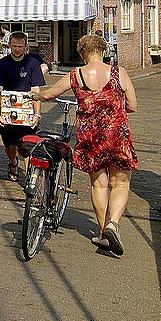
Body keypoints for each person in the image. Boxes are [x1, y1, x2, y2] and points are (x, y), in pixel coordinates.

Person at [30, 34, 137, 256]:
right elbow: (133, 106)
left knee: (99, 185)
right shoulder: (119, 73)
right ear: (103, 51)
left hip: (90, 136)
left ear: (81, 54)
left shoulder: (76, 74)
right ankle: (113, 225)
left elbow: (50, 94)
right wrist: (113, 110)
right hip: (117, 133)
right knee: (120, 184)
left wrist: (36, 96)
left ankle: (101, 232)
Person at [0, 32, 45, 181]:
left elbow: (36, 91)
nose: (17, 49)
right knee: (10, 146)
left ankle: (29, 181)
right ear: (9, 46)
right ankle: (13, 162)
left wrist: (36, 114)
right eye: (14, 46)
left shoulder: (33, 64)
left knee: (27, 146)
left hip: (27, 112)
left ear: (26, 47)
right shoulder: (1, 64)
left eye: (20, 47)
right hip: (7, 112)